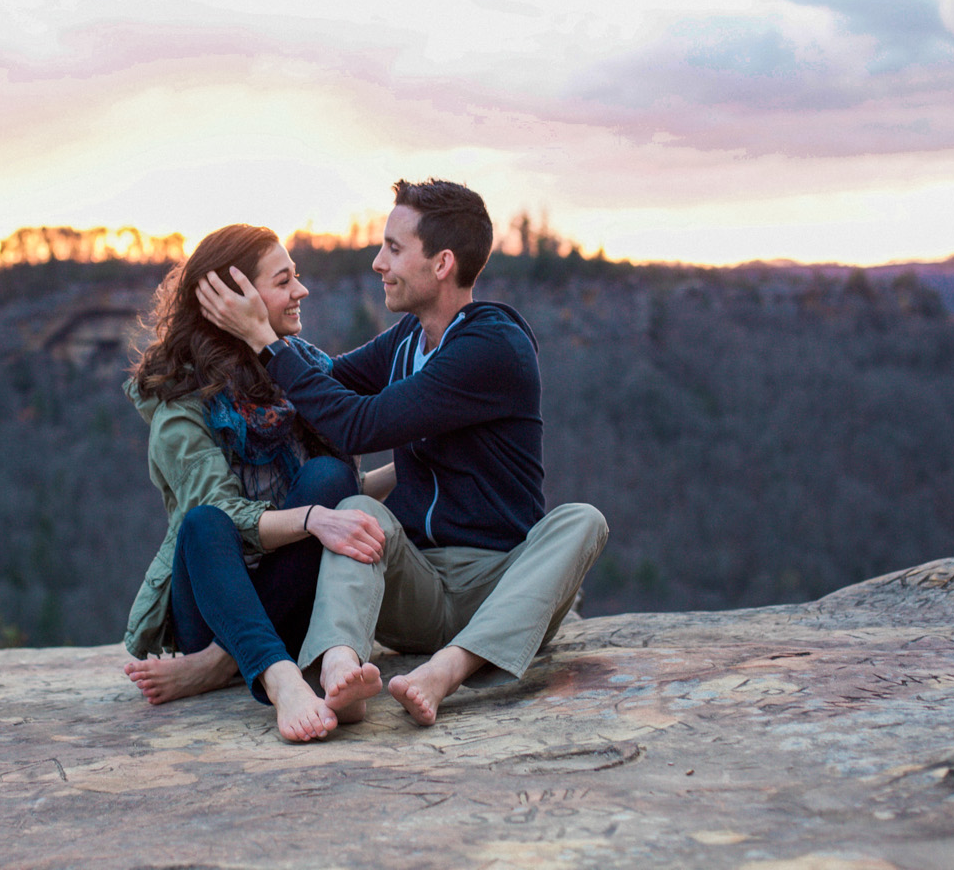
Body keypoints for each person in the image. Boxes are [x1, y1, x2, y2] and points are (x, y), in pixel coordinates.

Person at [197, 179, 609, 726]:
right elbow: (322, 386)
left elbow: (355, 425)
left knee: (582, 520)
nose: (377, 262)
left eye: (393, 248)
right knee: (357, 513)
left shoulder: (492, 346)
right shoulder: (406, 340)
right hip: (415, 584)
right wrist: (223, 345)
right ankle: (340, 667)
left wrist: (266, 343)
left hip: (500, 584)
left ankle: (446, 671)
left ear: (441, 264)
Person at [121, 224, 388, 742]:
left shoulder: (297, 367)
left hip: (292, 592)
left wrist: (417, 464)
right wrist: (313, 519)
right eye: (284, 280)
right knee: (203, 524)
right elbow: (230, 517)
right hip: (216, 603)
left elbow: (336, 499)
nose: (301, 291)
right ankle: (282, 678)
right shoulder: (181, 405)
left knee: (331, 474)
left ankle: (221, 666)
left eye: (298, 277)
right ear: (233, 297)